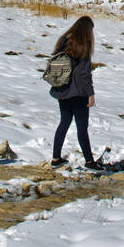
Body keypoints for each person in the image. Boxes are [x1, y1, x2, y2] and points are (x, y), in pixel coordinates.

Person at [50, 16, 99, 169]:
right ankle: (90, 161)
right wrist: (90, 94)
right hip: (78, 93)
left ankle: (56, 158)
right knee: (82, 128)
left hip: (62, 90)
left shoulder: (63, 40)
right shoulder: (83, 44)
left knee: (63, 123)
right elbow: (84, 74)